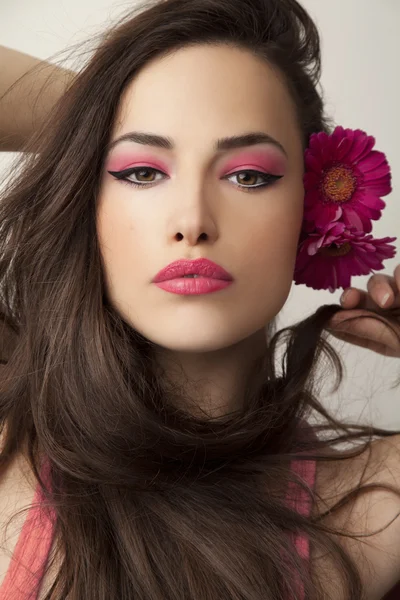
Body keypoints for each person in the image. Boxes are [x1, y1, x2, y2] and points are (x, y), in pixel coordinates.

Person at [0, 0, 399, 598]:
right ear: (89, 201)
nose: (193, 221)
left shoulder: (372, 510)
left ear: (313, 212)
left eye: (248, 176)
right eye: (141, 172)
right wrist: (91, 115)